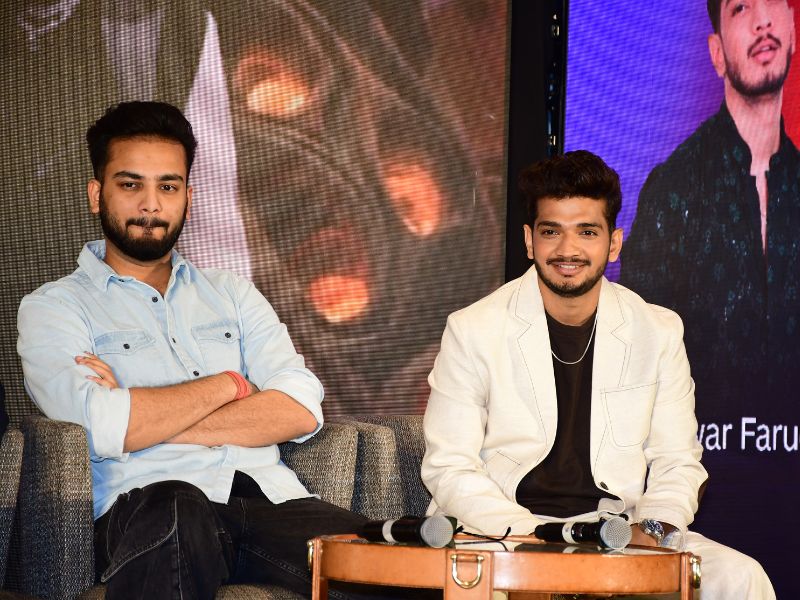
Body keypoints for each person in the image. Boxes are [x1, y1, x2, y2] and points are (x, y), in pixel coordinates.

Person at [15, 101, 405, 599]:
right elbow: (99, 425)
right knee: (176, 508)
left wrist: (144, 414)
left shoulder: (234, 294)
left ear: (188, 198)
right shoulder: (54, 307)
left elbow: (301, 406)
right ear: (97, 194)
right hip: (147, 507)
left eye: (168, 187)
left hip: (270, 500)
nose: (151, 205)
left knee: (401, 566)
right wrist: (232, 385)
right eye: (131, 185)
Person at [421, 151, 775, 599]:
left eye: (587, 232)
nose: (568, 250)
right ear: (529, 241)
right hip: (502, 532)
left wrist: (653, 530)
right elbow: (450, 466)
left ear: (614, 243)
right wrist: (534, 539)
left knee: (740, 577)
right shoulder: (473, 329)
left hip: (616, 535)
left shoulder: (657, 331)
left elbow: (677, 462)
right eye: (551, 231)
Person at [620, 0, 800, 415]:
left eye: (773, 2)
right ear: (717, 53)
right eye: (741, 8)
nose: (763, 21)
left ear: (792, 29)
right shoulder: (674, 188)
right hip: (697, 451)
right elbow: (636, 357)